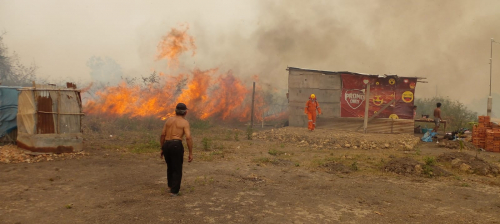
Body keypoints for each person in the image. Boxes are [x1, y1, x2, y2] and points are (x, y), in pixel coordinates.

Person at [160, 103, 193, 196]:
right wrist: (190, 152)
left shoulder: (168, 120)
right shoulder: (184, 122)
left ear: (175, 111)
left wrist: (162, 148)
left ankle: (170, 186)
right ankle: (174, 191)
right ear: (185, 112)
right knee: (177, 168)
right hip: (176, 144)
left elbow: (163, 135)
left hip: (166, 144)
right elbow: (188, 137)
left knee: (170, 167)